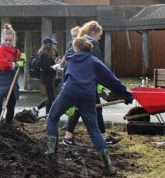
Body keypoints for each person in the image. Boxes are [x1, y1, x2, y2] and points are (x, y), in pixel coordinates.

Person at [46, 37, 133, 175]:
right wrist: (126, 95)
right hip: (87, 96)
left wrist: (67, 99)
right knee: (93, 129)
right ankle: (109, 166)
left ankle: (51, 154)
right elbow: (111, 79)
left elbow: (65, 80)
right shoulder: (94, 62)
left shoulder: (69, 60)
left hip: (68, 93)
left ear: (76, 48)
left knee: (52, 118)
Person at [63, 21, 121, 145]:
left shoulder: (77, 42)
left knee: (78, 109)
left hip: (76, 83)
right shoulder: (91, 44)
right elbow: (97, 67)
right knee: (96, 110)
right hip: (88, 84)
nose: (100, 38)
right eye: (99, 35)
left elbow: (69, 60)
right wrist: (104, 83)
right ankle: (103, 138)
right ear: (93, 33)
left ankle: (68, 137)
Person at [0, 23, 26, 124]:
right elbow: (2, 64)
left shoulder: (15, 50)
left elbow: (20, 57)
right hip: (0, 79)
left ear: (14, 40)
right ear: (3, 39)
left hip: (11, 79)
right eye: (6, 40)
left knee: (12, 101)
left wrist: (23, 58)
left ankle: (9, 121)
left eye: (10, 40)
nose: (8, 42)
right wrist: (15, 64)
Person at [32, 37, 57, 117]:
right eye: (52, 44)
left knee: (51, 97)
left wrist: (55, 63)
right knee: (51, 98)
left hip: (46, 77)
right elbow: (47, 67)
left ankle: (38, 109)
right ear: (48, 45)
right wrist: (54, 67)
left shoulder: (45, 53)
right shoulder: (45, 54)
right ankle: (47, 115)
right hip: (47, 78)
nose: (53, 46)